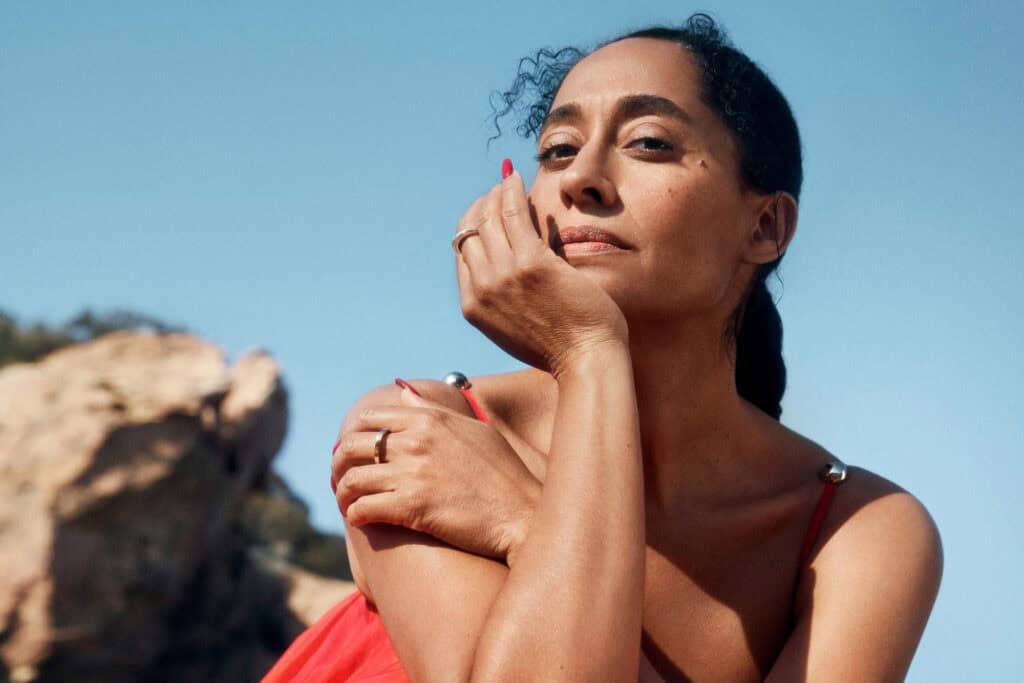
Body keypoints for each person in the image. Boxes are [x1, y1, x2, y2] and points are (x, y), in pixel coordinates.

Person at [263, 13, 942, 682]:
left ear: (764, 225)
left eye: (648, 143)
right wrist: (588, 351)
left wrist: (523, 519)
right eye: (558, 149)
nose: (580, 177)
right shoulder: (419, 431)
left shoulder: (856, 530)